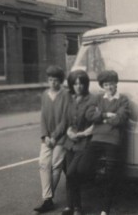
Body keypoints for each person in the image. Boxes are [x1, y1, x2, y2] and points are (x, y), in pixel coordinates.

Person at [78, 70, 130, 215]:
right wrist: (106, 115)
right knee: (83, 168)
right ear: (102, 86)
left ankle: (104, 209)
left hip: (113, 140)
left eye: (111, 84)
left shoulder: (123, 99)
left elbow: (120, 119)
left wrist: (99, 116)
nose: (109, 87)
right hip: (96, 138)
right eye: (106, 84)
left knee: (110, 175)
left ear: (116, 84)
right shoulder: (98, 98)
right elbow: (88, 115)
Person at [34, 65, 70, 213]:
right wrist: (46, 136)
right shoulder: (44, 95)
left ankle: (48, 199)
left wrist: (54, 136)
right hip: (47, 138)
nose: (53, 83)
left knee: (55, 165)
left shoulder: (66, 94)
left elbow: (65, 119)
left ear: (60, 81)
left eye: (56, 80)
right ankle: (47, 198)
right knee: (43, 163)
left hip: (61, 138)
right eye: (50, 80)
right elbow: (42, 117)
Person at [61, 70, 94, 215]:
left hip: (84, 142)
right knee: (68, 174)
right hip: (70, 142)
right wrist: (68, 131)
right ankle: (70, 206)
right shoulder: (71, 99)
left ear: (86, 84)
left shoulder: (92, 99)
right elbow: (67, 121)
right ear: (71, 85)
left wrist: (80, 134)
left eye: (81, 83)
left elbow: (95, 125)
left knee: (72, 173)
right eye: (75, 84)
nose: (78, 86)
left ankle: (78, 207)